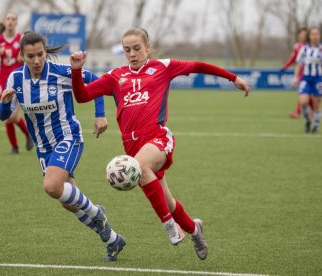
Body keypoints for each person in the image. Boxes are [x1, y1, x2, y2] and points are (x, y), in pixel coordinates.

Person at [70, 27, 250, 260]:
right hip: (132, 147)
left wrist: (233, 78)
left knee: (141, 168)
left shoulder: (162, 67)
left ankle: (169, 226)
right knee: (169, 203)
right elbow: (82, 96)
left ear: (147, 47)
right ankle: (195, 230)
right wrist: (76, 71)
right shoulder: (115, 75)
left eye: (136, 48)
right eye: (127, 50)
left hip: (157, 138)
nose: (132, 54)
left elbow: (198, 66)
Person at [0, 31, 126, 262]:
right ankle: (112, 239)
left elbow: (96, 81)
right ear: (22, 56)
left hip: (68, 137)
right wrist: (5, 103)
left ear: (45, 52)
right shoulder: (16, 79)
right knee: (67, 201)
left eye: (40, 54)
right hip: (43, 148)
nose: (36, 61)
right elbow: (4, 116)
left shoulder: (61, 72)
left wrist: (100, 115)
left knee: (51, 186)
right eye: (30, 56)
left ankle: (97, 212)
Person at [0, 12, 33, 154]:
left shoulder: (21, 39)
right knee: (7, 114)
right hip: (3, 80)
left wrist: (22, 57)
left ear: (16, 22)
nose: (10, 21)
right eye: (8, 18)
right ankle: (14, 147)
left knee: (12, 116)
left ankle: (27, 135)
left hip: (17, 80)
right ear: (4, 21)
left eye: (13, 19)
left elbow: (26, 58)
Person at [292, 27, 322, 134]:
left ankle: (316, 125)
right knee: (303, 101)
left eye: (317, 34)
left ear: (319, 36)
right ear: (309, 36)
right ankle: (308, 120)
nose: (315, 36)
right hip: (306, 78)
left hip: (318, 79)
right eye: (313, 34)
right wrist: (295, 77)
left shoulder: (321, 49)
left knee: (317, 105)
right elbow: (299, 63)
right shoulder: (304, 49)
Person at [281, 27, 314, 119]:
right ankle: (301, 112)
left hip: (313, 74)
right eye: (301, 34)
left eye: (304, 34)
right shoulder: (298, 46)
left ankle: (309, 112)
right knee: (304, 93)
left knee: (308, 94)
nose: (303, 36)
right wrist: (285, 66)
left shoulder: (313, 46)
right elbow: (293, 59)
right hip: (302, 74)